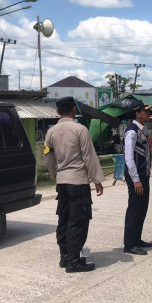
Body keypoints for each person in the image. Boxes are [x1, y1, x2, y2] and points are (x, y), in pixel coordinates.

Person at [44, 96, 105, 273]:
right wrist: (98, 180)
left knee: (63, 219)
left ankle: (65, 257)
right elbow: (89, 156)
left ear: (57, 112)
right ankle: (74, 261)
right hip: (78, 182)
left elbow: (48, 157)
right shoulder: (80, 130)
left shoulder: (51, 132)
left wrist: (56, 174)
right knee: (78, 221)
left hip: (62, 183)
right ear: (74, 110)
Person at [123, 99, 152, 255]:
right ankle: (129, 244)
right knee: (135, 209)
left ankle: (137, 239)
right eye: (145, 111)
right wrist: (136, 180)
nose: (148, 113)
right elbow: (128, 158)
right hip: (137, 178)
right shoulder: (132, 131)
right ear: (137, 113)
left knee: (142, 208)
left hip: (143, 176)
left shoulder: (142, 129)